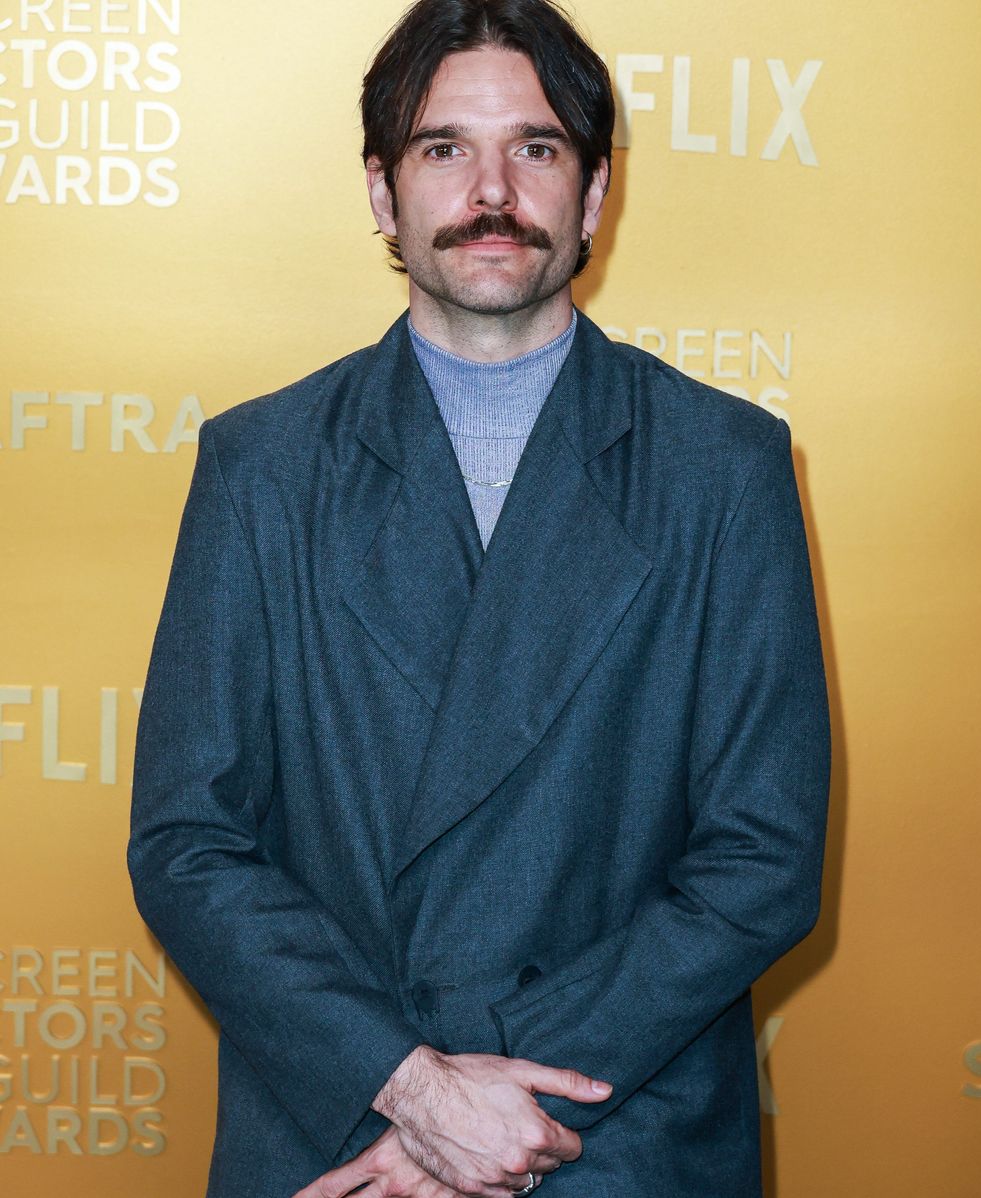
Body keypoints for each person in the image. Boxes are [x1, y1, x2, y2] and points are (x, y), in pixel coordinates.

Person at [127, 1, 832, 1195]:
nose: (491, 189)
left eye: (538, 149)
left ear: (595, 194)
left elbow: (762, 858)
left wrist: (493, 1100)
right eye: (444, 148)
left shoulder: (727, 465)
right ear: (381, 192)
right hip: (342, 1133)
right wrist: (411, 1086)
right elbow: (189, 842)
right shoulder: (262, 466)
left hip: (613, 1130)